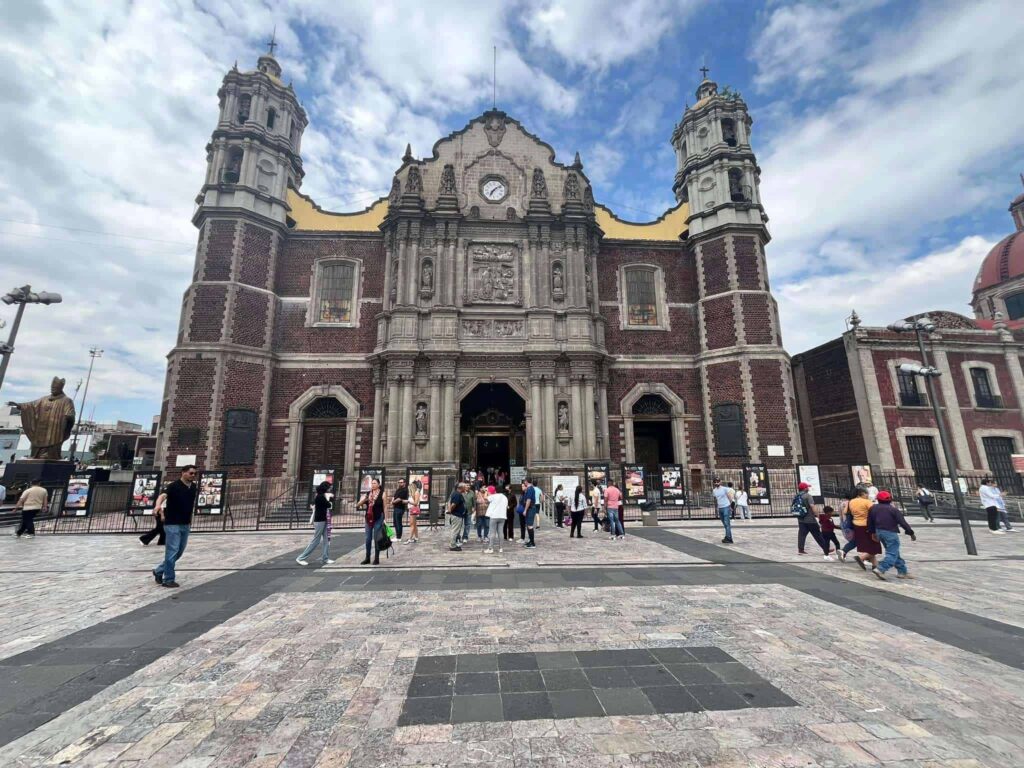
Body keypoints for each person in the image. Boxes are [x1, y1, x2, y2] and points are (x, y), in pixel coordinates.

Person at [152, 465, 198, 588]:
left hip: (185, 523)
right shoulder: (173, 486)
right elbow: (162, 496)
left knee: (179, 552)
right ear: (183, 473)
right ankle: (168, 579)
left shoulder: (193, 487)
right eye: (190, 473)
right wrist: (158, 506)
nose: (193, 475)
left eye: (194, 474)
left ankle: (158, 570)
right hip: (172, 523)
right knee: (172, 551)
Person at [868, 490, 917, 580]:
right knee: (892, 553)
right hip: (890, 532)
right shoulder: (893, 510)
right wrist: (911, 533)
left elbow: (870, 522)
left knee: (894, 552)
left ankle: (902, 571)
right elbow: (903, 522)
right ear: (890, 499)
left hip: (879, 531)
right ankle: (881, 568)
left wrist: (872, 532)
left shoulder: (873, 508)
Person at [296, 480, 334, 565]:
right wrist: (329, 498)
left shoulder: (322, 496)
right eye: (328, 488)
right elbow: (328, 505)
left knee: (326, 539)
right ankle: (301, 558)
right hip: (319, 520)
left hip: (324, 519)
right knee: (316, 540)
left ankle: (325, 558)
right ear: (325, 488)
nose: (329, 489)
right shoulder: (320, 497)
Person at [795, 482, 832, 559]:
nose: (808, 488)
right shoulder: (808, 496)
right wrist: (819, 516)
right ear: (805, 488)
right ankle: (826, 549)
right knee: (818, 534)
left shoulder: (797, 496)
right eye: (807, 487)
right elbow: (813, 507)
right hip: (810, 519)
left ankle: (800, 549)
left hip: (801, 518)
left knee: (802, 534)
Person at [848, 486, 881, 570]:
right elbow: (875, 512)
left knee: (868, 545)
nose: (867, 495)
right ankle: (862, 557)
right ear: (862, 493)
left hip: (856, 524)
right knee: (874, 545)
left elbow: (847, 512)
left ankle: (875, 565)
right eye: (867, 493)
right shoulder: (867, 502)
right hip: (867, 525)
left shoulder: (851, 501)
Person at [356, 478, 386, 565]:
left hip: (378, 518)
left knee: (377, 538)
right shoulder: (368, 494)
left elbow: (385, 507)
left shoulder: (382, 493)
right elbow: (357, 505)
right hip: (368, 518)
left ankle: (376, 558)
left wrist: (386, 519)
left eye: (374, 483)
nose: (373, 485)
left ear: (379, 484)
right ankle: (367, 557)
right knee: (368, 538)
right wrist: (365, 500)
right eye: (372, 483)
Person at [484, 485, 507, 554]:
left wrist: (486, 491)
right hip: (502, 516)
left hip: (494, 516)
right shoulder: (505, 497)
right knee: (501, 532)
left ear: (496, 490)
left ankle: (490, 548)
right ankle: (501, 548)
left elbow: (485, 498)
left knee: (492, 532)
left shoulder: (494, 496)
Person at [448, 482, 468, 551]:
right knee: (455, 531)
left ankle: (453, 544)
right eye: (464, 487)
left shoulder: (457, 493)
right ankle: (452, 545)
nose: (466, 488)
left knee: (456, 530)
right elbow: (453, 504)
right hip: (456, 515)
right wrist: (451, 510)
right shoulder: (457, 494)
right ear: (461, 488)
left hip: (458, 515)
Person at [712, 478, 733, 544]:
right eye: (715, 482)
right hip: (720, 508)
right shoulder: (714, 490)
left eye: (718, 481)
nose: (716, 483)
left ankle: (729, 538)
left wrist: (730, 505)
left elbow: (730, 496)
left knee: (727, 523)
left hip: (726, 507)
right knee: (725, 524)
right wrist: (716, 507)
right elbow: (716, 499)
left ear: (720, 482)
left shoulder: (725, 489)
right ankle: (728, 536)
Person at [522, 478, 540, 548]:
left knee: (530, 526)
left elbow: (528, 500)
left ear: (526, 482)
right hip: (531, 508)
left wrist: (525, 510)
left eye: (524, 482)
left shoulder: (530, 489)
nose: (524, 483)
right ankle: (530, 541)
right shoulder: (530, 489)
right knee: (528, 525)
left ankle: (532, 543)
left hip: (530, 508)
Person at [407, 479, 422, 543]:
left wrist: (408, 502)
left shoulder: (416, 493)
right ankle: (416, 537)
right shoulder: (413, 493)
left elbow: (416, 503)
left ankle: (410, 538)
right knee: (414, 524)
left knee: (412, 524)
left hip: (413, 510)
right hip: (411, 509)